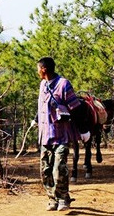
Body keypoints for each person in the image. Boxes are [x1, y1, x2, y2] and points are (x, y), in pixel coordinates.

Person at [35, 57, 77, 211]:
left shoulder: (64, 84)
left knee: (59, 169)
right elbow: (41, 106)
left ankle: (64, 199)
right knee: (45, 171)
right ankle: (52, 199)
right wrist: (36, 119)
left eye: (38, 68)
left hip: (61, 136)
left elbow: (75, 107)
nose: (37, 71)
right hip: (45, 136)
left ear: (44, 69)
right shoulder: (42, 85)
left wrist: (83, 130)